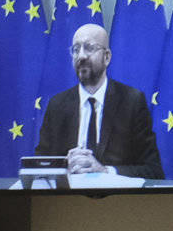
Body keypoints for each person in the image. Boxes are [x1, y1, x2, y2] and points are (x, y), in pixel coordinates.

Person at [32, 24, 163, 179]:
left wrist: (104, 171)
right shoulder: (57, 105)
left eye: (89, 48)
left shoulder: (132, 101)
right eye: (76, 50)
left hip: (115, 194)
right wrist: (64, 167)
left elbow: (153, 171)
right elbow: (39, 169)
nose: (81, 56)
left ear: (106, 57)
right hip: (69, 194)